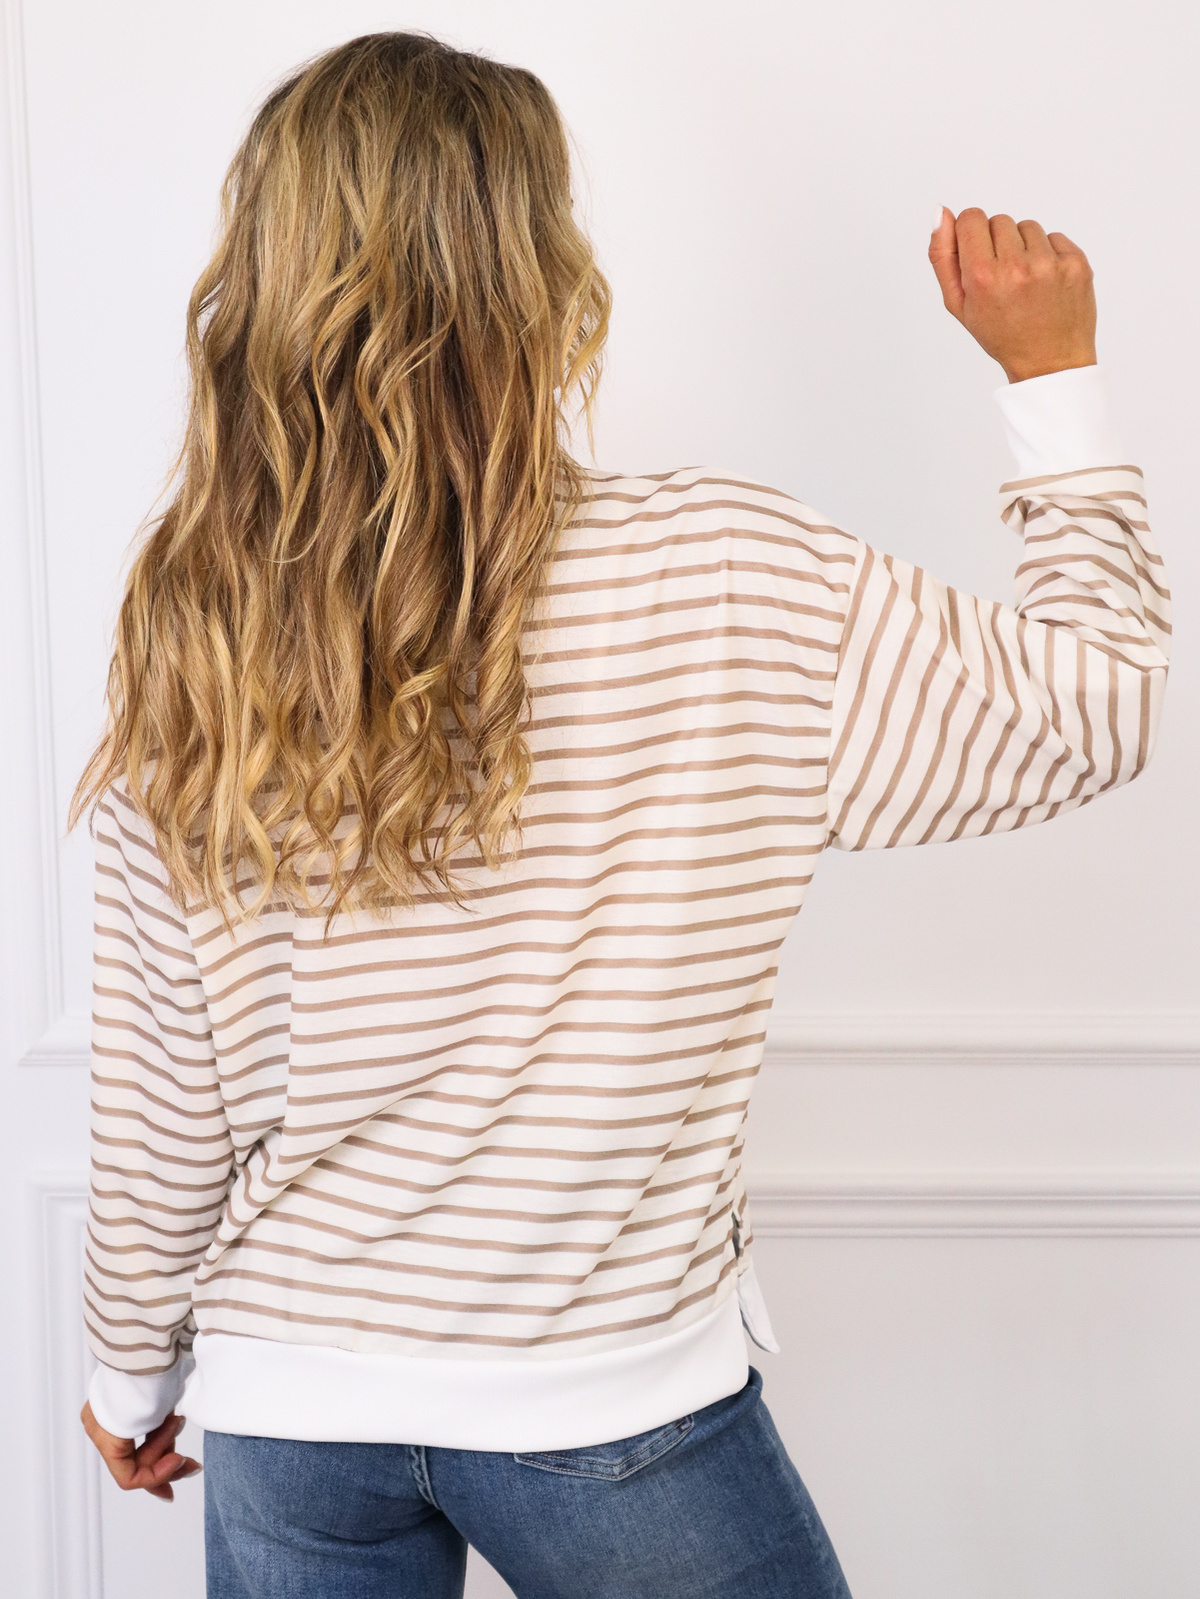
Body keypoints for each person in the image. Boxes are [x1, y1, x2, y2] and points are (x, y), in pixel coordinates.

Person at [69, 29, 1170, 1599]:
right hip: (608, 1400)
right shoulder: (725, 576)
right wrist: (1053, 374)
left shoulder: (202, 622)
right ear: (539, 271)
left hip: (294, 1412)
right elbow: (1096, 703)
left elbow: (160, 1087)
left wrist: (130, 1377)